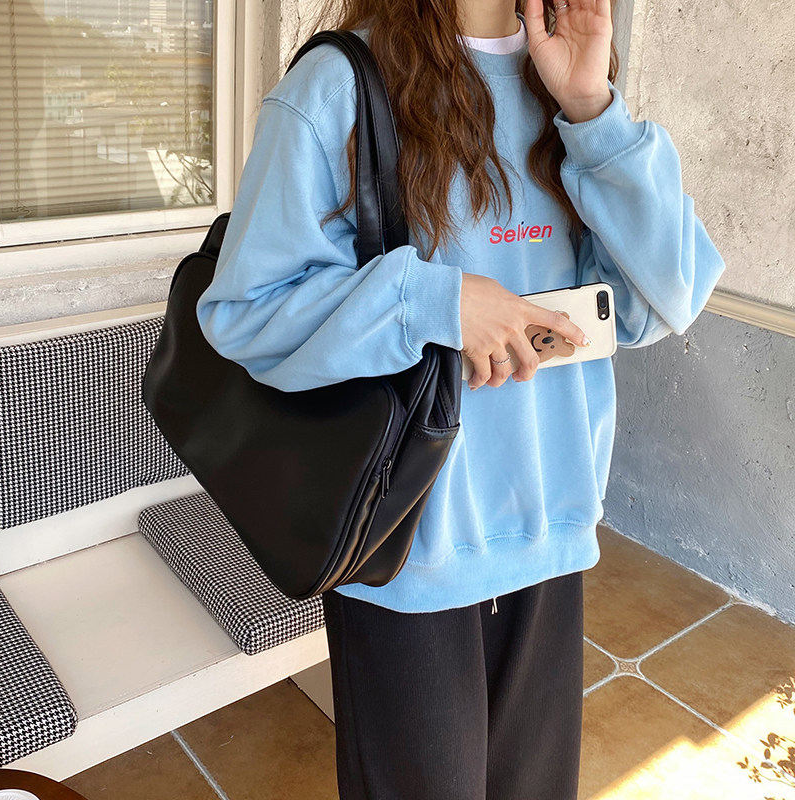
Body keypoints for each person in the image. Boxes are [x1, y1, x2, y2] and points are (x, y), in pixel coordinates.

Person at [195, 0, 726, 796]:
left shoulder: (564, 75)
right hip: (405, 547)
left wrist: (592, 109)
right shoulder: (337, 86)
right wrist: (436, 302)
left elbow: (660, 301)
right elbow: (246, 313)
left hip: (550, 533)